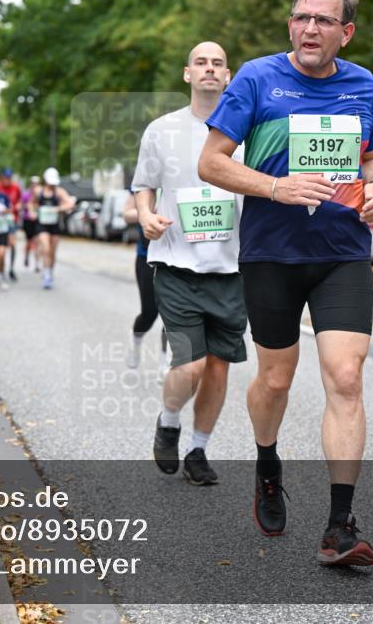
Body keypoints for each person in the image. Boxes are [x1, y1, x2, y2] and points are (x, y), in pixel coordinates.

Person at [198, 0, 373, 566]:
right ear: (290, 26)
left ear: (345, 32)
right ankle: (267, 460)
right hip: (272, 254)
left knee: (346, 376)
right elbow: (211, 163)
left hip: (342, 251)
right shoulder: (257, 78)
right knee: (276, 380)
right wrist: (275, 186)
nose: (311, 29)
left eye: (324, 21)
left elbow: (371, 157)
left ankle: (340, 525)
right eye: (302, 18)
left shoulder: (363, 85)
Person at [133, 41, 247, 488]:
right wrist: (145, 215)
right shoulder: (161, 130)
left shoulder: (247, 131)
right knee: (190, 364)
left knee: (219, 367)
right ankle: (168, 421)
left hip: (233, 269)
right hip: (177, 265)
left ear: (228, 75)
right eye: (201, 62)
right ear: (187, 74)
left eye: (217, 63)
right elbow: (143, 185)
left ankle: (198, 448)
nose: (209, 69)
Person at [123, 191, 171, 381]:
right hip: (147, 257)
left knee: (171, 314)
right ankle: (135, 340)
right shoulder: (144, 182)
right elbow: (127, 214)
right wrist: (147, 213)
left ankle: (164, 363)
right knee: (149, 313)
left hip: (175, 258)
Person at [33, 168, 76, 289]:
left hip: (55, 225)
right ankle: (46, 274)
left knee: (52, 251)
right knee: (45, 248)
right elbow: (32, 203)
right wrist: (33, 211)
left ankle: (50, 271)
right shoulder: (39, 191)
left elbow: (70, 203)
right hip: (42, 224)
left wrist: (58, 209)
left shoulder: (59, 192)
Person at [0, 168, 22, 282]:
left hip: (12, 220)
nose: (7, 180)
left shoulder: (15, 187)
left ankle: (11, 268)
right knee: (1, 247)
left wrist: (18, 205)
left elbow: (20, 200)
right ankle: (0, 270)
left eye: (9, 177)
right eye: (6, 177)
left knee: (12, 244)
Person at [22, 176, 42, 272]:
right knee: (29, 241)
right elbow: (22, 205)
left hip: (38, 220)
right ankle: (26, 255)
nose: (34, 185)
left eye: (36, 184)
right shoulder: (26, 194)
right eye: (33, 183)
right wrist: (30, 208)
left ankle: (37, 263)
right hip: (27, 220)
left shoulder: (40, 194)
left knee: (37, 242)